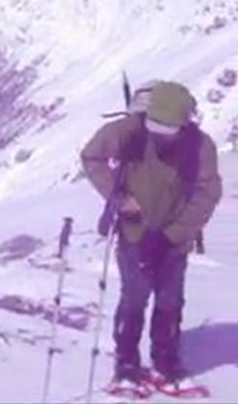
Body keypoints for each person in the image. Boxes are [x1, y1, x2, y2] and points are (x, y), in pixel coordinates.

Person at [80, 80, 223, 394]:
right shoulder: (128, 130)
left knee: (171, 301)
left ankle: (166, 361)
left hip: (176, 238)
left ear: (185, 123)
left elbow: (208, 192)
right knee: (134, 298)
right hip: (135, 232)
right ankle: (127, 362)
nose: (158, 137)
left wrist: (174, 234)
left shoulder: (201, 147)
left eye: (166, 132)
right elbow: (92, 158)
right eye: (154, 127)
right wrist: (119, 198)